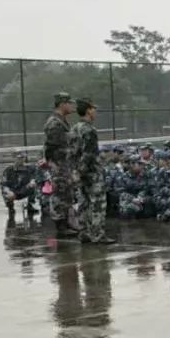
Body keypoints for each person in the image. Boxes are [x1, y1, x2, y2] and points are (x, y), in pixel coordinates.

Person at [68, 99, 115, 245]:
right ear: (88, 110)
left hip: (79, 171)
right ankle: (97, 234)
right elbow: (89, 154)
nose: (95, 111)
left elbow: (72, 153)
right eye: (93, 108)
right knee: (98, 204)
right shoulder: (89, 130)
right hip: (91, 172)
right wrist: (82, 171)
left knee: (84, 202)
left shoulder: (74, 128)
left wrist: (75, 171)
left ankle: (84, 232)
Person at [43, 92, 78, 238]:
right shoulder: (54, 123)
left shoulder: (61, 121)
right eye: (69, 103)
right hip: (59, 164)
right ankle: (60, 225)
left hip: (65, 163)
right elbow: (50, 146)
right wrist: (53, 164)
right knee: (60, 194)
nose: (71, 106)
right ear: (62, 104)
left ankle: (66, 222)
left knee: (66, 193)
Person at [0, 150, 39, 221]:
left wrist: (33, 181)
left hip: (25, 189)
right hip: (13, 192)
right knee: (5, 192)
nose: (21, 160)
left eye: (23, 157)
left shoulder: (30, 168)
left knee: (34, 185)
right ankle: (10, 208)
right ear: (14, 158)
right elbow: (3, 183)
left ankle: (31, 205)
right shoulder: (8, 170)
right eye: (19, 158)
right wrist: (8, 191)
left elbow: (36, 176)